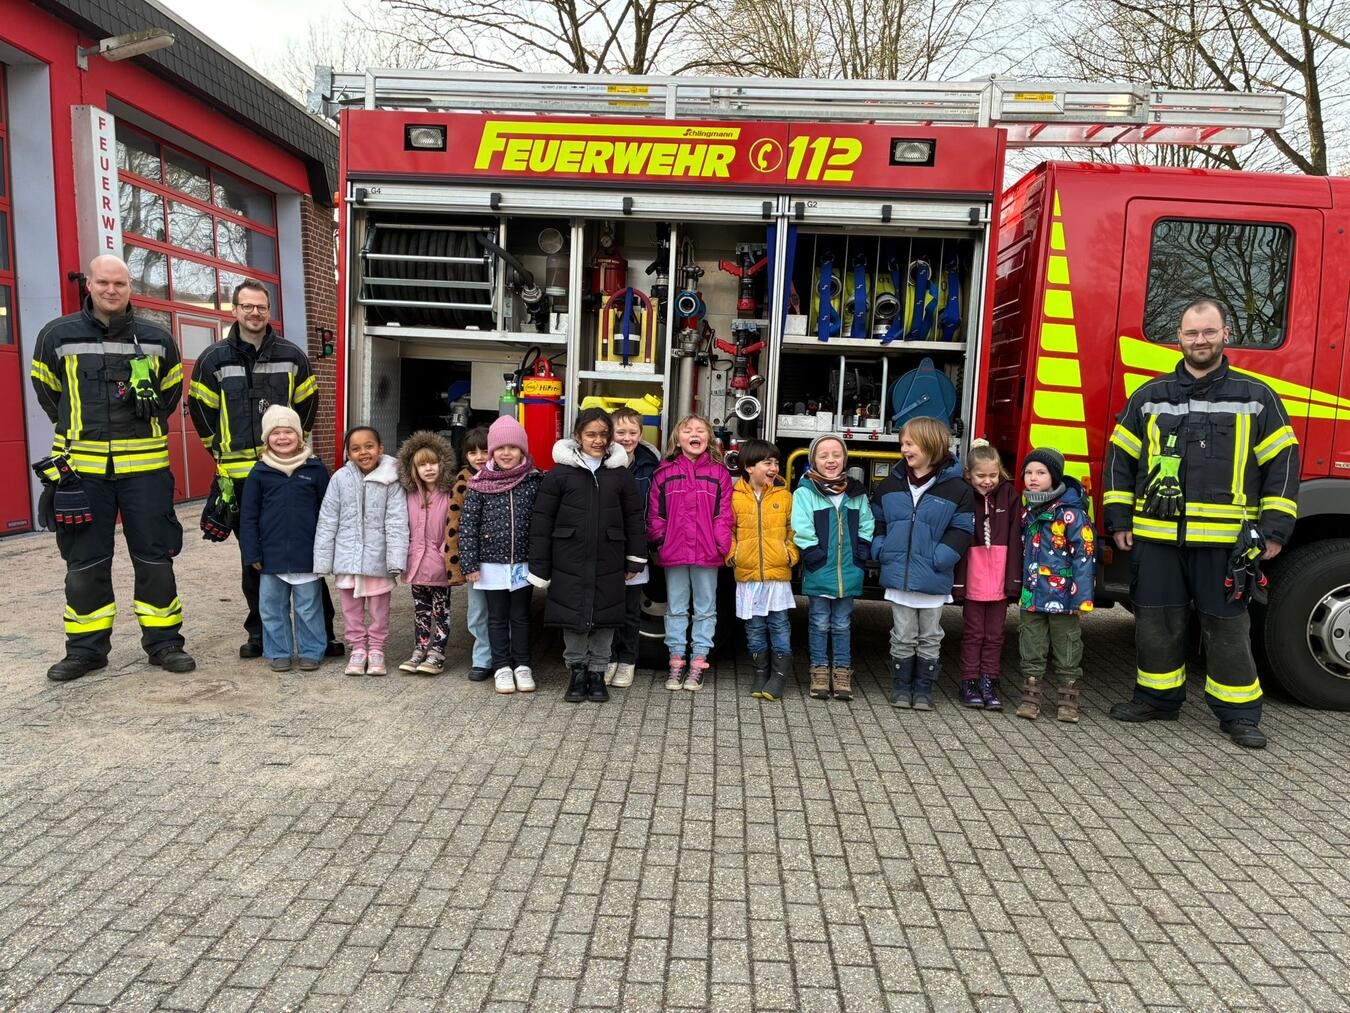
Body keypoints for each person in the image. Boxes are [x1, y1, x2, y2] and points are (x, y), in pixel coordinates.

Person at [1104, 297, 1298, 749]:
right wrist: (1118, 518)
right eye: (1192, 333)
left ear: (1225, 334)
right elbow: (1119, 460)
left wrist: (1273, 530)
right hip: (1156, 537)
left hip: (1226, 542)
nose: (1200, 341)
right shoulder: (1149, 397)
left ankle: (1239, 714)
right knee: (1156, 623)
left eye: (1209, 332)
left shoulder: (1257, 397)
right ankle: (1157, 698)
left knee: (1226, 626)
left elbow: (1282, 464)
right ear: (1179, 338)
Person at [29, 254, 195, 681]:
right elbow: (48, 391)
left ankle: (164, 643)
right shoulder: (56, 335)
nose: (111, 290)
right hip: (81, 472)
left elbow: (171, 392)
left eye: (119, 283)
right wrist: (75, 427)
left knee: (155, 559)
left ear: (129, 287)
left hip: (146, 471)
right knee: (85, 562)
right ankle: (85, 650)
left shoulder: (157, 338)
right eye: (103, 282)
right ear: (89, 283)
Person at [188, 279, 341, 660]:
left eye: (261, 307)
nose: (255, 313)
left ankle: (322, 635)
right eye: (247, 307)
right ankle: (259, 634)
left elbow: (308, 403)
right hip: (241, 479)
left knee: (306, 556)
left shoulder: (292, 355)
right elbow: (201, 412)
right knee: (255, 558)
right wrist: (219, 453)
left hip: (290, 475)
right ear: (234, 310)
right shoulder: (213, 359)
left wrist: (295, 447)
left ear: (268, 311)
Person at [528, 408, 646, 703]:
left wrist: (634, 558)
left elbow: (634, 518)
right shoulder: (559, 475)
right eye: (591, 434)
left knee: (605, 619)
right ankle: (577, 672)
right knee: (573, 617)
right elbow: (542, 522)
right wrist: (540, 567)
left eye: (603, 434)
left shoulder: (619, 474)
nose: (597, 440)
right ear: (578, 436)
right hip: (569, 559)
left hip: (609, 558)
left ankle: (597, 673)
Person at [871, 418, 974, 711]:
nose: (903, 449)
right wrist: (881, 547)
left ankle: (924, 689)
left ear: (930, 444)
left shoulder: (957, 489)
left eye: (909, 443)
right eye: (902, 443)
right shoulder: (890, 484)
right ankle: (902, 687)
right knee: (902, 634)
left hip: (933, 577)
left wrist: (941, 557)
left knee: (930, 636)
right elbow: (877, 520)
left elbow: (962, 529)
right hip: (899, 577)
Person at [239, 405, 330, 672]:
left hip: (307, 553)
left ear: (299, 436)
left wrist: (326, 550)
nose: (282, 437)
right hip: (270, 556)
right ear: (266, 438)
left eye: (288, 431)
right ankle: (278, 652)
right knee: (271, 608)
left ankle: (312, 651)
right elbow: (248, 517)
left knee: (308, 608)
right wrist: (251, 553)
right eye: (275, 432)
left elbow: (328, 512)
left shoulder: (314, 469)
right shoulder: (259, 472)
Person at [313, 426, 408, 677]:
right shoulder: (340, 479)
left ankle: (376, 649)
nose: (363, 452)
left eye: (369, 446)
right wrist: (323, 560)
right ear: (348, 453)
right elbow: (327, 520)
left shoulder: (393, 478)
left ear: (380, 448)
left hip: (378, 558)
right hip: (347, 557)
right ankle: (357, 648)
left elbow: (397, 520)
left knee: (379, 608)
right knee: (351, 608)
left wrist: (396, 558)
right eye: (355, 448)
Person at [647, 413, 733, 692]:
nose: (694, 435)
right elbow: (655, 513)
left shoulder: (720, 474)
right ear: (677, 439)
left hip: (707, 553)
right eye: (687, 431)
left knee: (706, 608)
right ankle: (676, 660)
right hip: (674, 551)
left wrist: (721, 545)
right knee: (676, 608)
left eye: (700, 430)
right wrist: (660, 541)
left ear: (709, 438)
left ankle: (698, 661)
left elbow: (724, 515)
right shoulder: (664, 472)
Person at [460, 416, 543, 695]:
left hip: (523, 564)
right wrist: (470, 563)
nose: (506, 453)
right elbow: (468, 525)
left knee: (520, 616)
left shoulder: (534, 480)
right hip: (489, 565)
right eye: (500, 448)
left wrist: (541, 562)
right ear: (492, 451)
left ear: (523, 450)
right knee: (496, 618)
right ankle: (502, 667)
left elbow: (542, 524)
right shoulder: (478, 483)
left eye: (513, 447)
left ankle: (522, 665)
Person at [1016, 447, 1096, 722]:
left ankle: (1068, 696)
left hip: (1064, 596)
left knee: (1067, 643)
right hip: (1031, 592)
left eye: (1041, 472)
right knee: (1031, 641)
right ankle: (1030, 693)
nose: (1033, 478)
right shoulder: (1026, 510)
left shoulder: (1071, 514)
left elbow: (1085, 556)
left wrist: (1083, 598)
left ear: (1055, 476)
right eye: (1028, 472)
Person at [791, 435, 873, 701]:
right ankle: (819, 671)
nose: (830, 460)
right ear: (813, 459)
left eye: (836, 455)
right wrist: (813, 556)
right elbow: (801, 528)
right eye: (823, 455)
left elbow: (866, 524)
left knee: (842, 623)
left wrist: (860, 554)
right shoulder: (805, 492)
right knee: (818, 622)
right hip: (820, 569)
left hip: (848, 570)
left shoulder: (856, 492)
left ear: (845, 459)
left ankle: (841, 670)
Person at [952, 439, 1021, 710]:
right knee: (973, 634)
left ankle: (989, 681)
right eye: (981, 475)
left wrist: (1014, 581)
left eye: (993, 475)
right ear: (968, 474)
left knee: (994, 634)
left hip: (1000, 578)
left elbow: (1016, 538)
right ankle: (969, 682)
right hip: (974, 577)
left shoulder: (1009, 495)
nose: (988, 481)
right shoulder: (964, 494)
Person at [729, 439, 799, 701]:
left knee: (779, 625)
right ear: (748, 467)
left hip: (777, 575)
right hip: (748, 575)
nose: (774, 467)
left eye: (776, 462)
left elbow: (795, 530)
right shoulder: (734, 497)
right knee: (754, 626)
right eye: (767, 463)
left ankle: (779, 677)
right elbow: (729, 531)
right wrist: (732, 555)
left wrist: (789, 554)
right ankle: (760, 672)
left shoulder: (784, 496)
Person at [607, 406, 661, 687]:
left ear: (641, 434)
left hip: (635, 549)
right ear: (610, 434)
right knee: (606, 609)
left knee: (630, 610)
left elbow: (653, 508)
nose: (627, 438)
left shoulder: (650, 466)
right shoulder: (602, 463)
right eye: (620, 432)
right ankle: (608, 659)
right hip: (607, 549)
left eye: (632, 432)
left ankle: (627, 661)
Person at [396, 431, 457, 675]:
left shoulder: (450, 492)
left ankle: (437, 652)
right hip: (416, 561)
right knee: (420, 609)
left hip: (440, 563)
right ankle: (419, 648)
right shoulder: (409, 494)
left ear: (442, 464)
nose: (428, 469)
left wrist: (444, 552)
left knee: (441, 610)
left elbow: (454, 526)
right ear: (413, 469)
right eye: (422, 465)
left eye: (432, 463)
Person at [444, 427, 492, 681]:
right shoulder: (462, 481)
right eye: (473, 452)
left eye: (485, 450)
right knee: (477, 613)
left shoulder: (503, 476)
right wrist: (456, 566)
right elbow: (453, 525)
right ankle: (483, 658)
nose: (479, 457)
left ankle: (503, 656)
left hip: (501, 559)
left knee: (502, 613)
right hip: (474, 562)